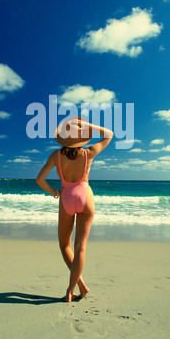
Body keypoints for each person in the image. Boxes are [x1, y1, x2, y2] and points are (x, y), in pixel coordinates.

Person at [36, 117, 113, 302]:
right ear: (82, 137)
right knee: (81, 248)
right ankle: (75, 288)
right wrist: (89, 126)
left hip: (66, 199)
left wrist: (55, 193)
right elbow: (109, 134)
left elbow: (39, 180)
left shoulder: (55, 156)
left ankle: (77, 287)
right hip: (85, 197)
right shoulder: (89, 152)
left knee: (65, 247)